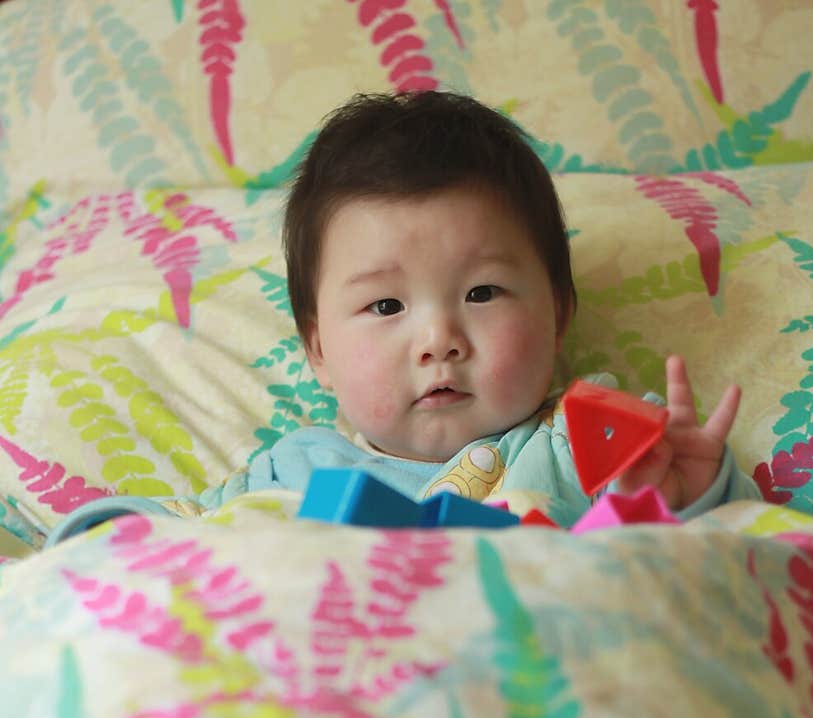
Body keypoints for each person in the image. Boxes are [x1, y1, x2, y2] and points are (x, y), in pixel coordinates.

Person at [47, 90, 759, 546]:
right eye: (385, 306)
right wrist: (105, 541)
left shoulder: (589, 439)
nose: (439, 340)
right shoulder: (293, 472)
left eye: (482, 293)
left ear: (559, 313)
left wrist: (691, 490)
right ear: (317, 350)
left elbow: (718, 563)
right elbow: (181, 536)